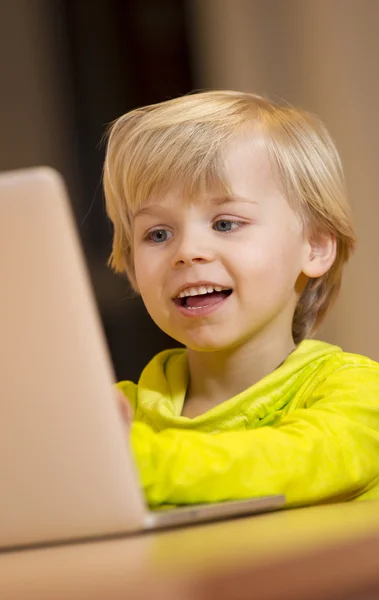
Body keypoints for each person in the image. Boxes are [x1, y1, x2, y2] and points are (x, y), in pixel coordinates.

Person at [103, 90, 379, 508]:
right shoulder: (117, 412)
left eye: (226, 223)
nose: (187, 251)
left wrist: (120, 463)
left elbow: (282, 464)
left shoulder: (357, 393)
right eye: (158, 233)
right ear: (131, 264)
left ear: (316, 247)